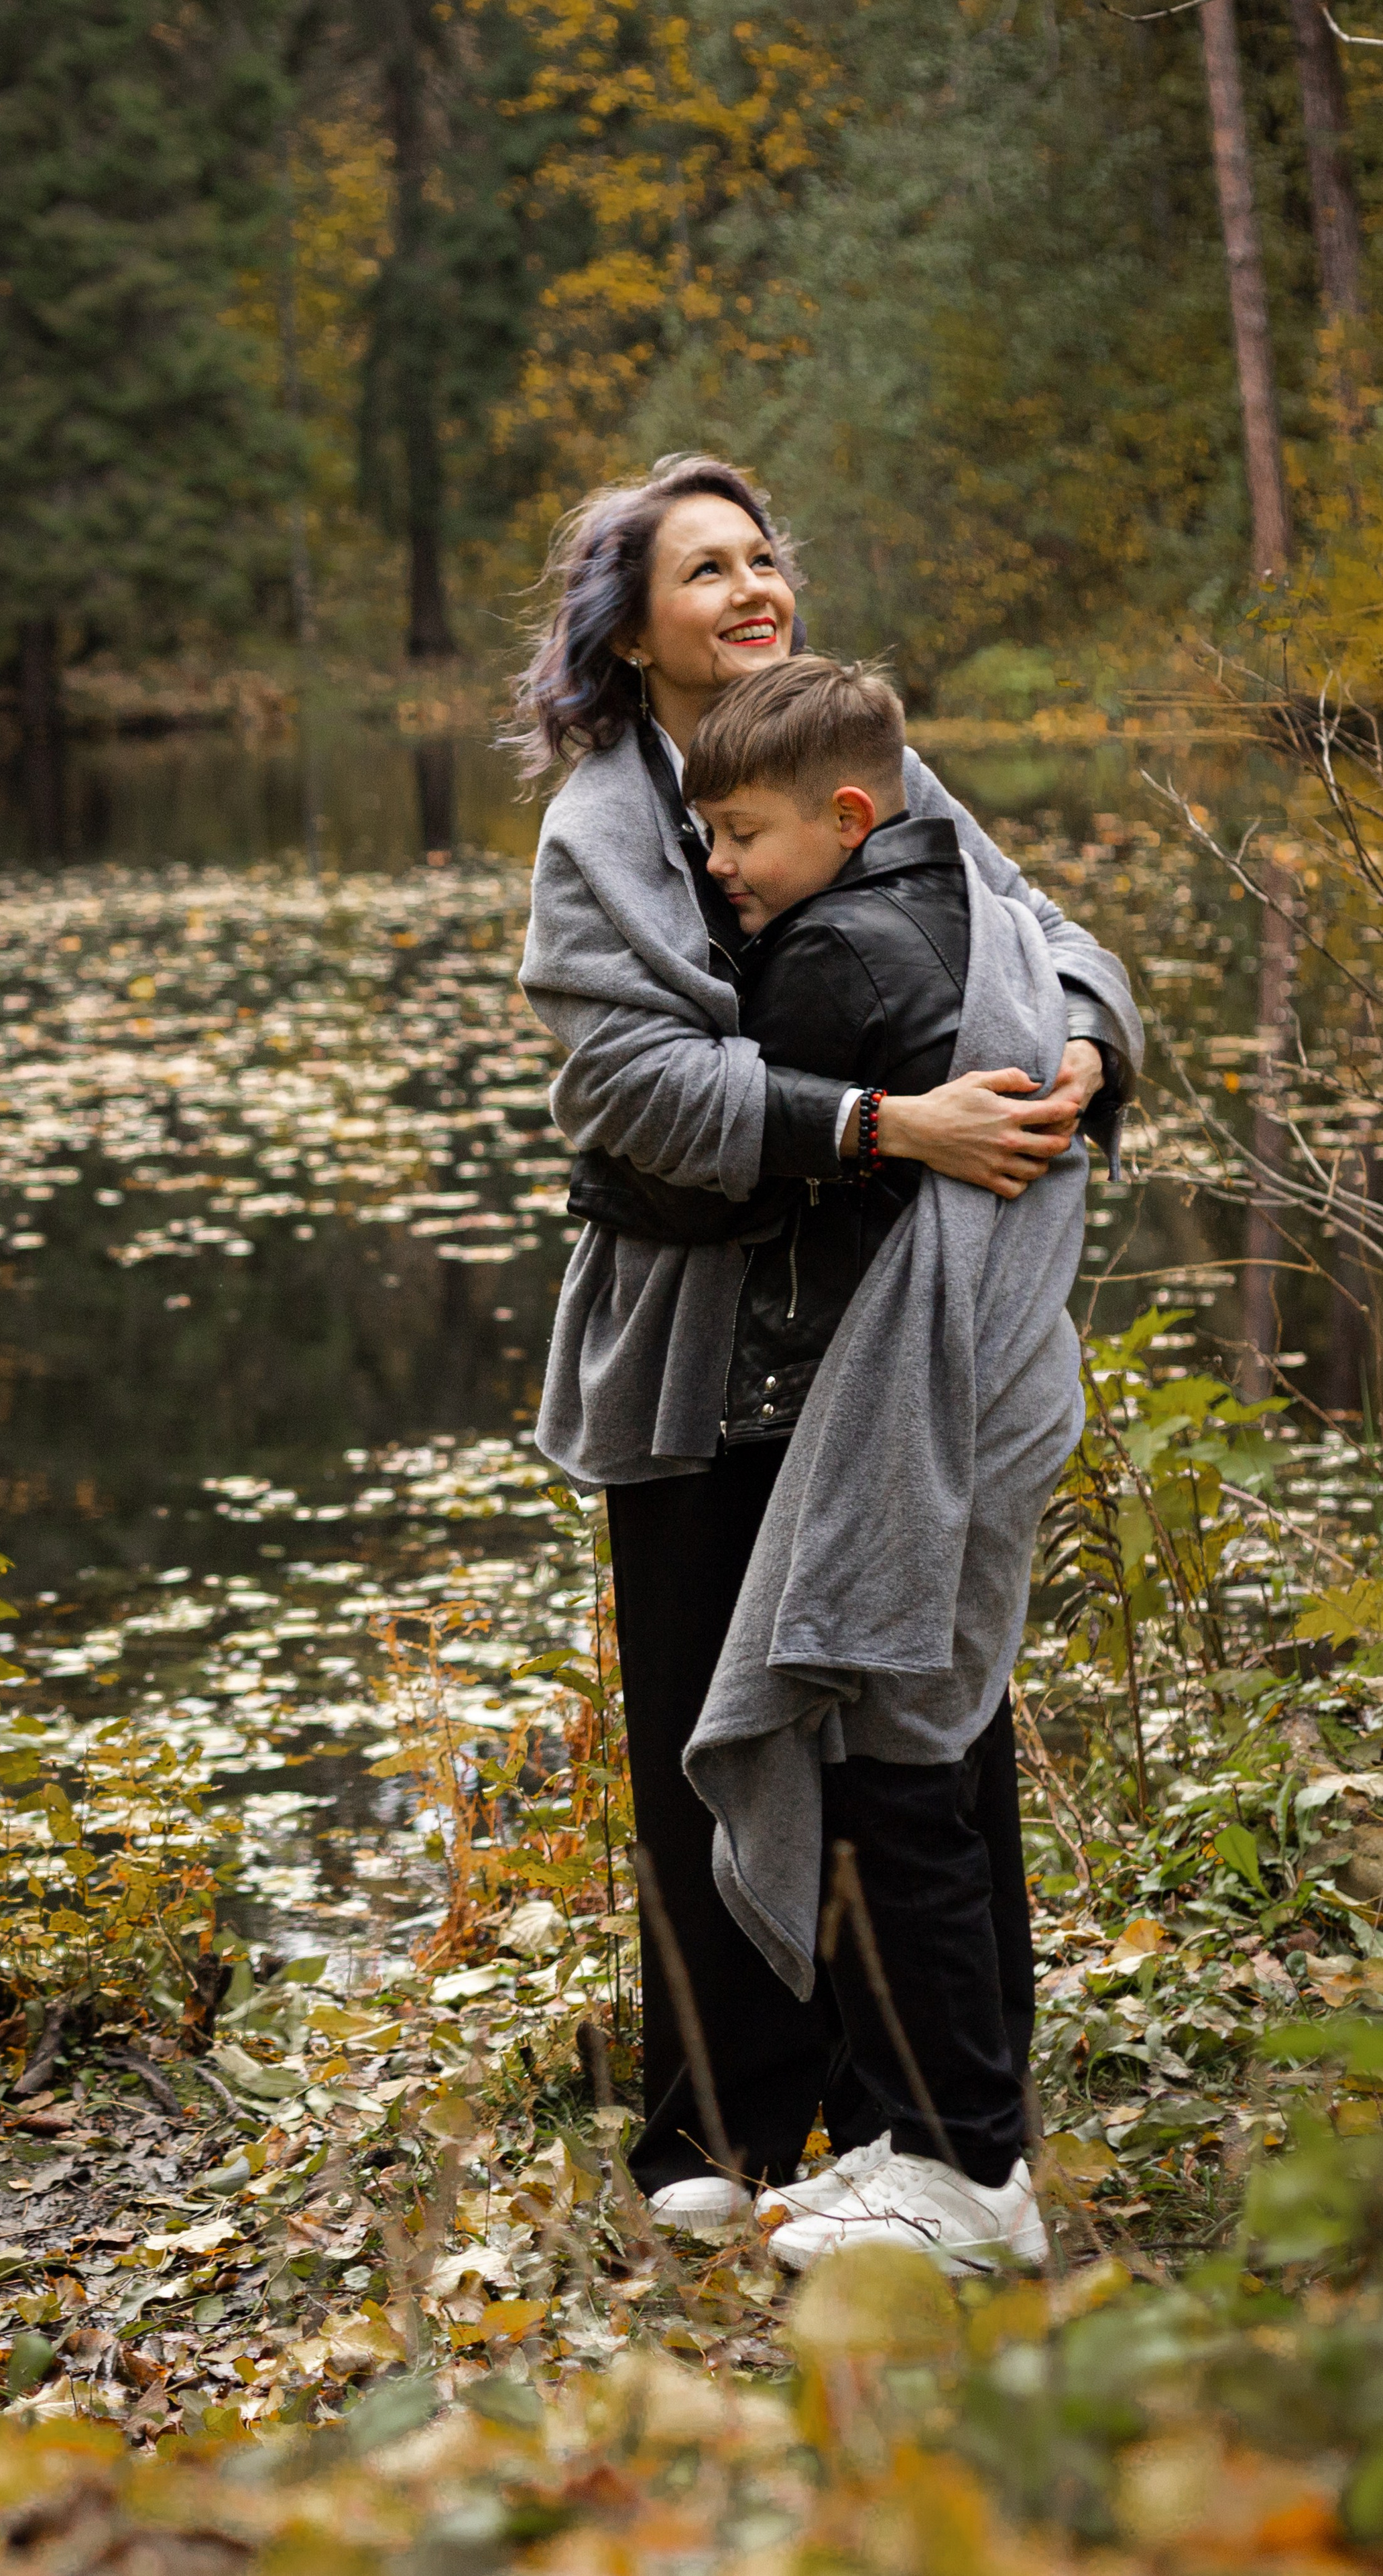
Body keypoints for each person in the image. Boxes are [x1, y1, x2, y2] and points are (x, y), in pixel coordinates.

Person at [514, 454, 1141, 2228]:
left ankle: (926, 2127)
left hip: (877, 1336)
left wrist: (1083, 1054)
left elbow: (1043, 934)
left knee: (905, 1715)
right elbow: (627, 1083)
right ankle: (720, 2135)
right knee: (707, 1732)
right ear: (627, 632)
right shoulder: (603, 828)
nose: (748, 585)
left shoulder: (857, 761)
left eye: (761, 554)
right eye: (701, 569)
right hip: (693, 1348)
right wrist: (887, 1124)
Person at [671, 652, 1134, 2269]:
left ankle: (966, 2178)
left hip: (923, 1408)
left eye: (736, 834)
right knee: (914, 1748)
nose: (714, 866)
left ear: (844, 815)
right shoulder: (944, 881)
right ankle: (913, 2142)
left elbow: (674, 1173)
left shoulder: (828, 965)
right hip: (994, 1379)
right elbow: (1071, 952)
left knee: (902, 1772)